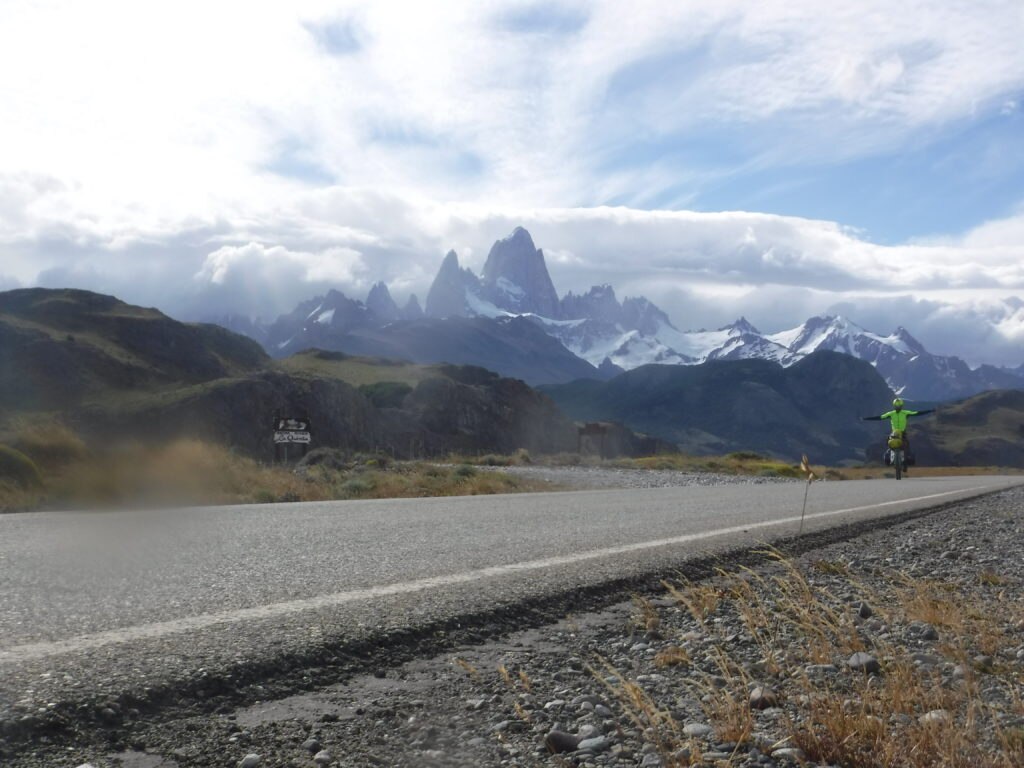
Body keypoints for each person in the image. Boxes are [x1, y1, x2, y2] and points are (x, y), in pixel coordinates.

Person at [861, 398, 934, 466]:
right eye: (897, 405)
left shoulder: (897, 413)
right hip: (897, 432)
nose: (898, 406)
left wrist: (930, 411)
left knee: (901, 444)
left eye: (898, 405)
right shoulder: (899, 413)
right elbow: (879, 417)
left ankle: (903, 457)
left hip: (899, 433)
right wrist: (866, 419)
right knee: (896, 444)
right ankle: (894, 456)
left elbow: (917, 413)